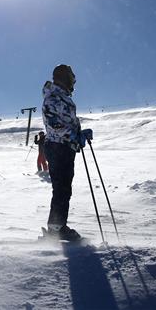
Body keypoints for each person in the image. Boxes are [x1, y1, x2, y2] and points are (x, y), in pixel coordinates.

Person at [41, 64, 92, 241]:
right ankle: (56, 228)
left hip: (64, 147)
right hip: (57, 147)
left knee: (64, 189)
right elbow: (55, 125)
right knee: (61, 188)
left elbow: (66, 123)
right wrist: (74, 136)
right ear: (64, 78)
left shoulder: (61, 97)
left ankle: (57, 225)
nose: (73, 81)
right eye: (71, 77)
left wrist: (80, 134)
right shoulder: (53, 98)